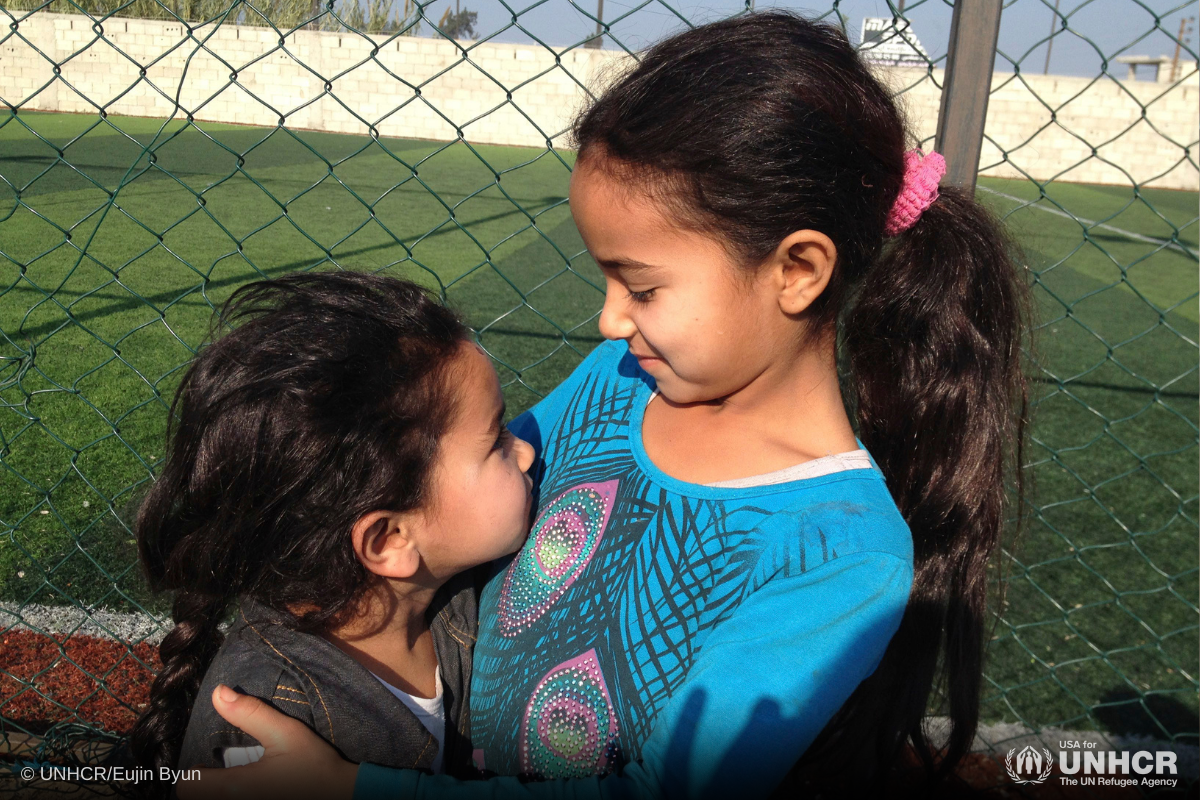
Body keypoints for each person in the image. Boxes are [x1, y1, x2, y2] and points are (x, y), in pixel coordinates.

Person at [178, 11, 1029, 800]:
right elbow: (448, 501)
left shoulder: (837, 552)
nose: (611, 318)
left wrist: (355, 788)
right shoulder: (616, 382)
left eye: (643, 285)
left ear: (797, 271)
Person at [127, 272, 536, 783]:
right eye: (496, 439)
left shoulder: (456, 594)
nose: (526, 451)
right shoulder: (266, 731)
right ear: (390, 541)